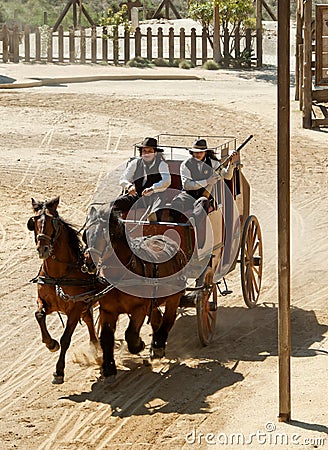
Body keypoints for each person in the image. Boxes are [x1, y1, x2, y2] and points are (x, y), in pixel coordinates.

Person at [170, 138, 238, 224]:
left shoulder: (214, 163)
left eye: (200, 152)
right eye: (196, 152)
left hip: (205, 197)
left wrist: (231, 164)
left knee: (202, 203)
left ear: (205, 152)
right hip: (188, 195)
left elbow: (227, 176)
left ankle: (192, 225)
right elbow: (187, 185)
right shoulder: (185, 165)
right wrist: (207, 182)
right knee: (177, 202)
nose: (198, 154)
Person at [112, 137, 171, 219]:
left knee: (158, 203)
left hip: (155, 196)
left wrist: (153, 189)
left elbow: (166, 181)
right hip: (137, 196)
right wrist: (129, 186)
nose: (147, 154)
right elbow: (123, 179)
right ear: (141, 152)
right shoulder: (135, 163)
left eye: (150, 151)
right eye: (144, 151)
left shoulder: (162, 164)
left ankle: (153, 217)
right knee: (116, 204)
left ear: (155, 153)